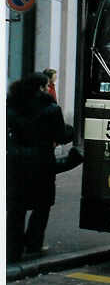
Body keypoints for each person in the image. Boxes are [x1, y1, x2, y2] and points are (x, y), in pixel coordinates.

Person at [6, 72, 79, 262]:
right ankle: (33, 244)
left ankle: (12, 249)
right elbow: (62, 136)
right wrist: (71, 131)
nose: (48, 89)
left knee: (16, 208)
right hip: (41, 163)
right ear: (40, 88)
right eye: (47, 86)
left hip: (15, 164)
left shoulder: (11, 106)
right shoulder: (51, 109)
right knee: (42, 206)